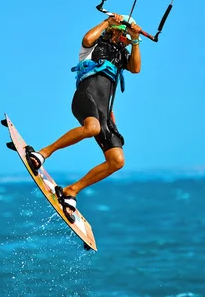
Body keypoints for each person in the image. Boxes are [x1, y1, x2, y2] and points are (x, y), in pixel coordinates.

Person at [25, 13, 142, 222]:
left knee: (117, 161)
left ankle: (71, 191)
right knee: (92, 128)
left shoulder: (121, 56)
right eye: (124, 34)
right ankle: (43, 153)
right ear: (116, 31)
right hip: (84, 99)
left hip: (105, 114)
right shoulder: (94, 45)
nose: (125, 39)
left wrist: (135, 40)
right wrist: (109, 21)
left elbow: (136, 68)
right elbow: (87, 39)